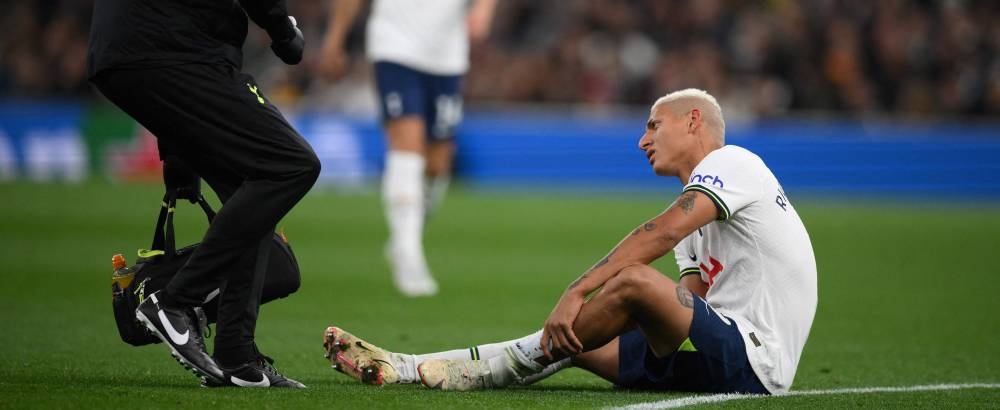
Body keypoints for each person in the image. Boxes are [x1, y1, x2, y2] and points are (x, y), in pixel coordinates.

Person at [322, 88, 817, 395]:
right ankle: (417, 368)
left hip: (757, 357)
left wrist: (579, 290)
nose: (642, 140)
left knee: (632, 283)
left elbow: (661, 232)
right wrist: (619, 324)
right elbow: (686, 313)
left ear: (693, 121)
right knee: (573, 343)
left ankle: (469, 370)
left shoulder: (733, 162)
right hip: (718, 353)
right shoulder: (699, 221)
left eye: (653, 125)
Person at [87, 0, 321, 388]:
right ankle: (174, 297)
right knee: (291, 165)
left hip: (152, 55)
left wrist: (180, 150)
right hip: (168, 53)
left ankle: (240, 357)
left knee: (254, 201)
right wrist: (283, 29)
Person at [317, 0, 501, 297]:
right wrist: (336, 38)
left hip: (447, 52)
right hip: (393, 43)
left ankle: (406, 237)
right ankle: (410, 259)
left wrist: (482, 9)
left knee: (438, 162)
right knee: (407, 143)